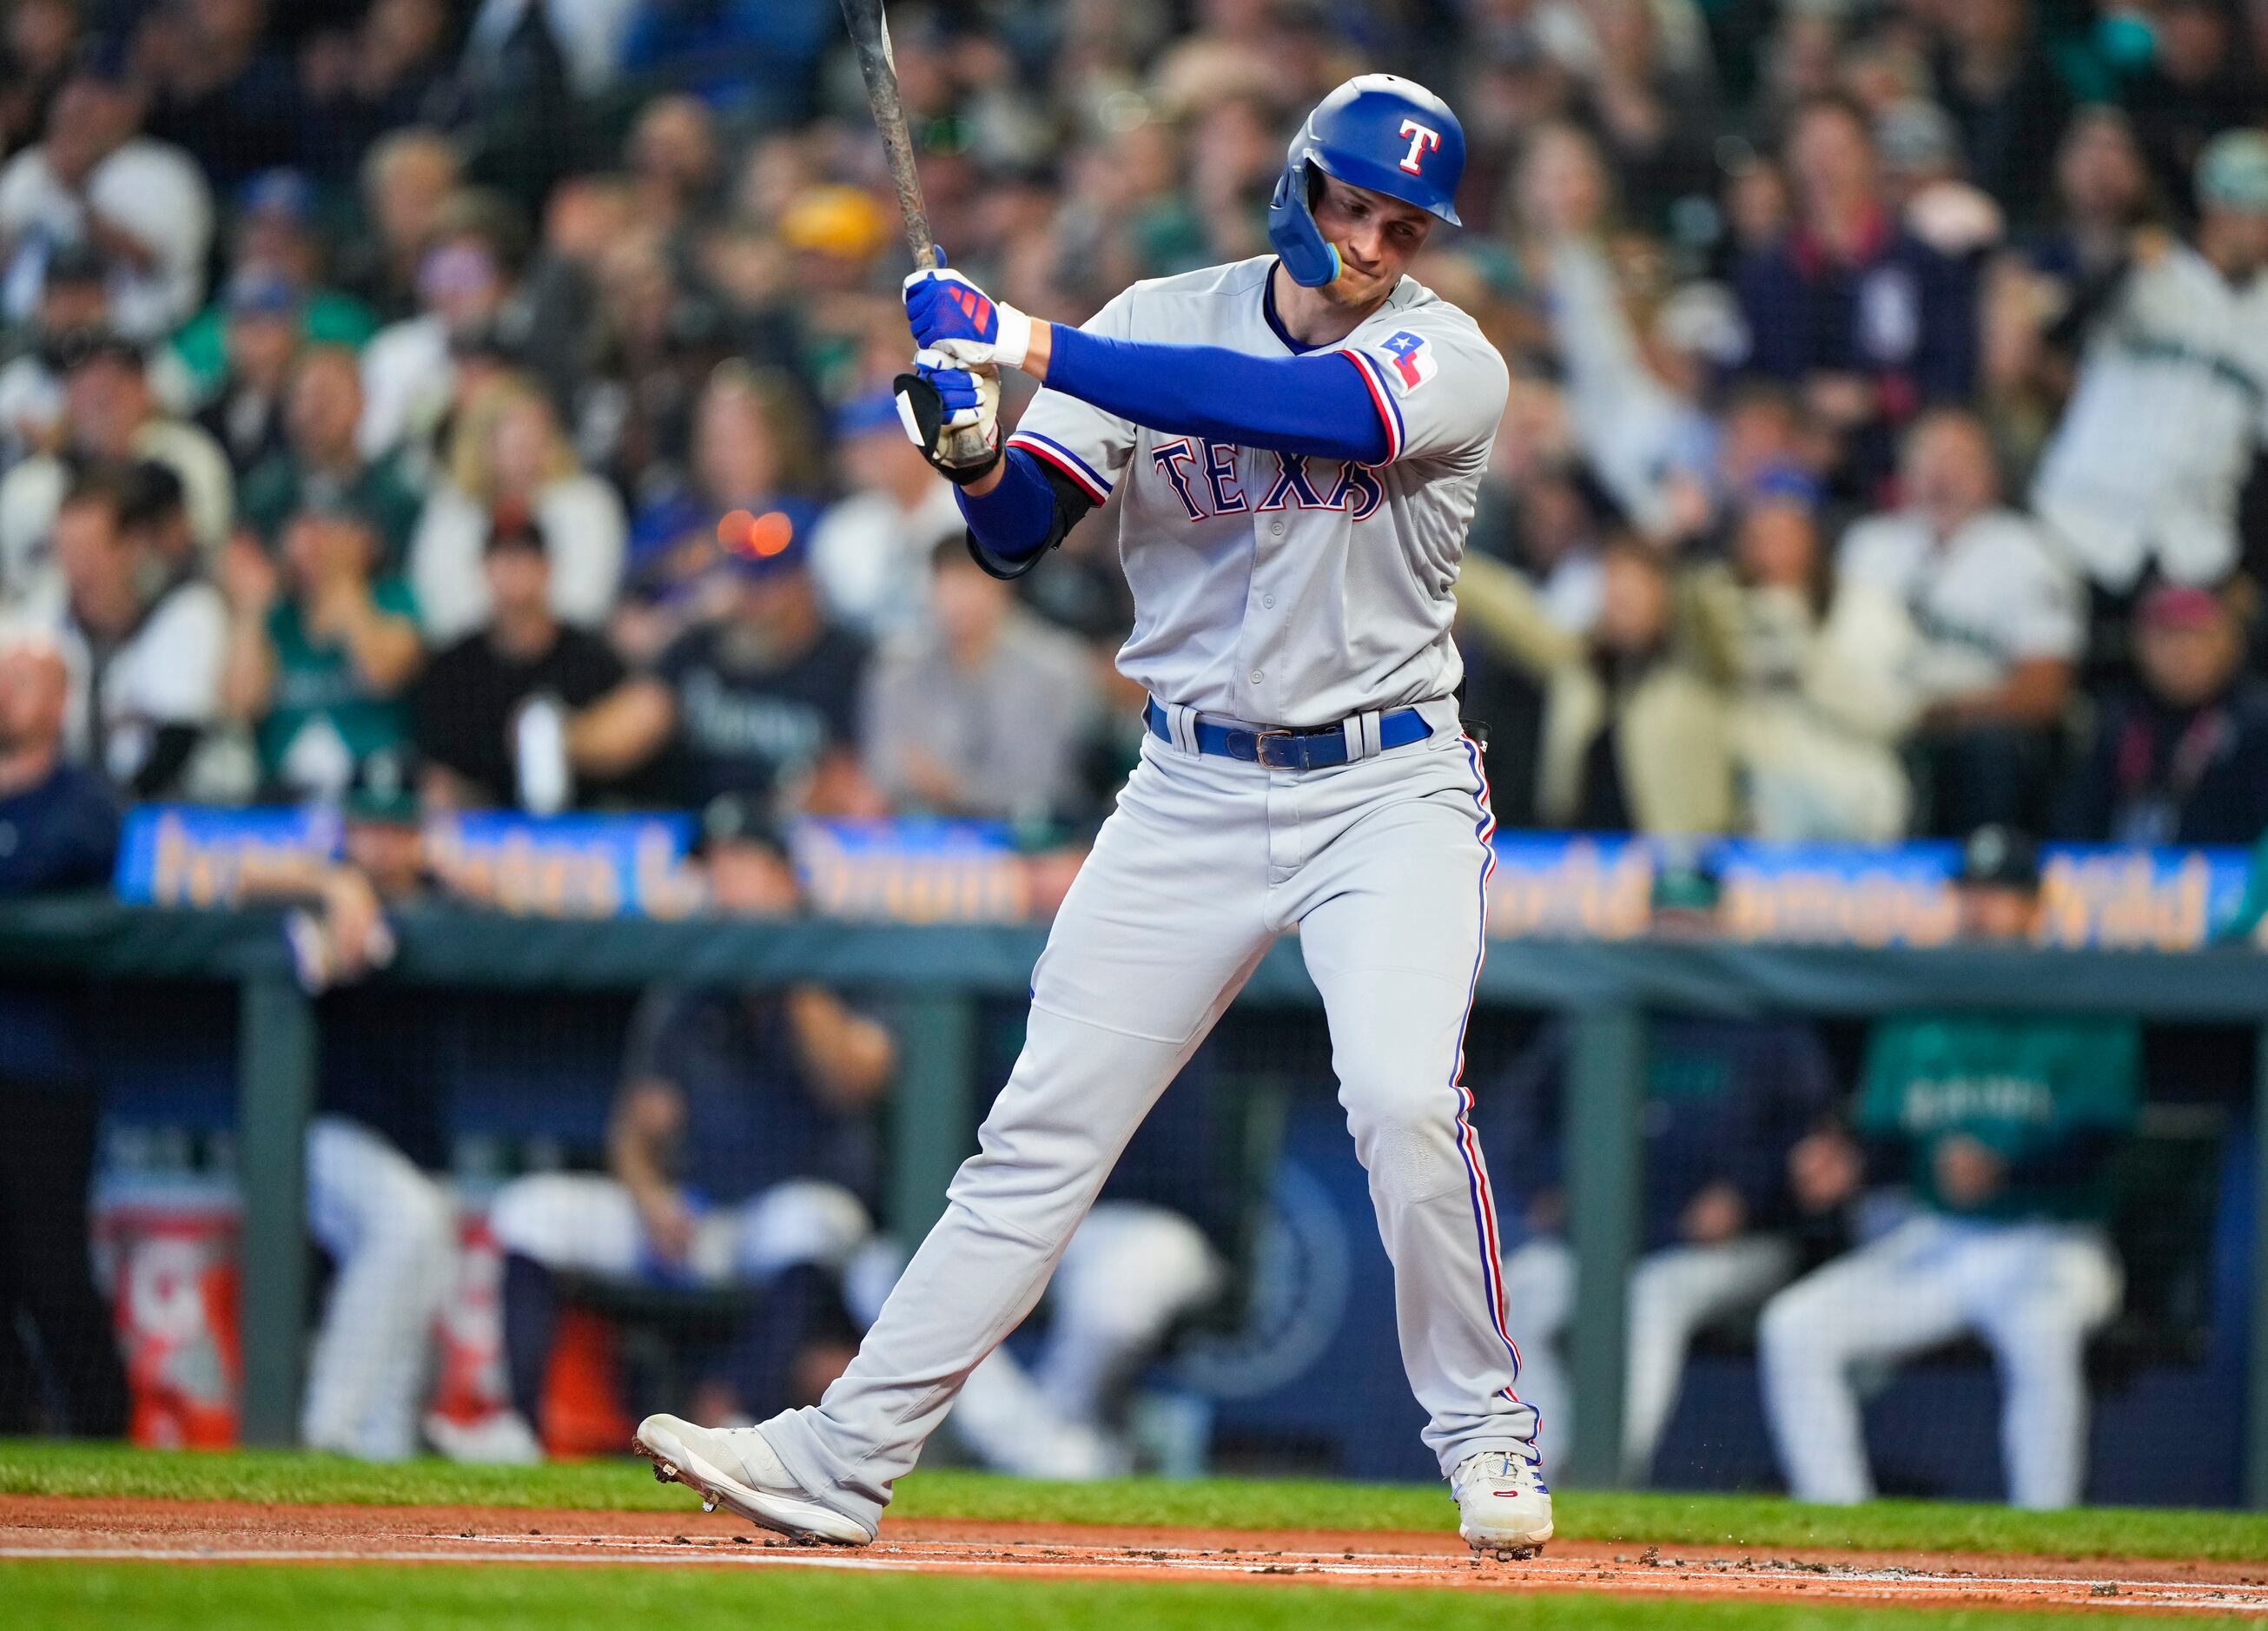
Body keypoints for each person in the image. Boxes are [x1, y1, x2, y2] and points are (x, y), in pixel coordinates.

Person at [635, 76, 1553, 1555]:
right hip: (1188, 782)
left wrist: (1031, 341)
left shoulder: (1448, 359)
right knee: (1036, 1134)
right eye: (1353, 205)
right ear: (1297, 188)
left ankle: (1486, 1431)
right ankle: (844, 1451)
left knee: (1399, 1097)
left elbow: (1296, 412)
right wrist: (971, 450)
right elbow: (1017, 535)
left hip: (1386, 787)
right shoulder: (1161, 315)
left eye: (1402, 222)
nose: (1375, 243)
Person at [1758, 827, 2139, 1509]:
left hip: (2052, 1243)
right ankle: (1842, 1531)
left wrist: (2008, 1171)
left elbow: (2104, 1141)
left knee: (2040, 1331)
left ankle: (2043, 1537)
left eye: (1998, 896)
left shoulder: (2083, 997)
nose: (1979, 910)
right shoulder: (1923, 1000)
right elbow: (1885, 1138)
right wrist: (1849, 1160)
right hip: (1938, 1241)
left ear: (2034, 907)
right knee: (1795, 1326)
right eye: (1970, 894)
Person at [487, 809, 891, 1446]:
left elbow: (852, 1079)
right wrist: (648, 1196)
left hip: (777, 1220)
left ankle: (733, 1413)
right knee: (529, 1210)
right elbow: (633, 1126)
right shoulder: (688, 983)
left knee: (812, 1220)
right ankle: (513, 1428)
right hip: (686, 1217)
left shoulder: (838, 960)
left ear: (787, 881)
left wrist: (786, 965)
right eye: (715, 869)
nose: (724, 887)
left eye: (743, 868)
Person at [1487, 861, 1838, 1482]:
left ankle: (1607, 1475)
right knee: (1505, 1301)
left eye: (1692, 922)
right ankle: (1548, 1463)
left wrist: (1746, 1198)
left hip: (1726, 1247)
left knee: (1651, 1298)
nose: (1678, 936)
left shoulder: (1765, 1021)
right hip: (1601, 1236)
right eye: (1666, 920)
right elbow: (1517, 1112)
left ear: (1721, 927)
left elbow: (1812, 1142)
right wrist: (1545, 1184)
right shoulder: (1600, 1005)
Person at [2029, 131, 2268, 604]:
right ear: (2216, 209)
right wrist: (2119, 265)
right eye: (2250, 212)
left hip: (2193, 549)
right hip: (2077, 519)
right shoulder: (2148, 267)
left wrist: (2249, 567)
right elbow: (2054, 339)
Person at [1835, 409, 2081, 835]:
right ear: (1903, 473)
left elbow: (2044, 690)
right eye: (1928, 461)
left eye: (1958, 463)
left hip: (1973, 726)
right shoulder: (1868, 545)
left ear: (1991, 474)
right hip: (1872, 717)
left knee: (1985, 749)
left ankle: (1988, 878)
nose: (1941, 477)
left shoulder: (2030, 552)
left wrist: (1942, 712)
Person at [0, 631, 129, 1436]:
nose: (5, 694)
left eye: (21, 681)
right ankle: (14, 1423)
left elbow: (49, 864)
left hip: (47, 1073)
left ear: (57, 703)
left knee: (52, 1268)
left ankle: (104, 1425)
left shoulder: (81, 802)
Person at [1734, 94, 1978, 495]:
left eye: (1838, 151)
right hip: (1794, 466)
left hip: (1900, 460)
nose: (1824, 167)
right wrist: (1800, 414)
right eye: (1810, 151)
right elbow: (1751, 373)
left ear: (1870, 159)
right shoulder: (1766, 273)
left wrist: (1873, 399)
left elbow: (1953, 374)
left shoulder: (1923, 265)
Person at [595, 524, 878, 819]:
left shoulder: (848, 663)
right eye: (744, 580)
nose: (752, 598)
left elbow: (854, 781)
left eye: (767, 582)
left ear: (804, 583)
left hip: (798, 837)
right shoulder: (698, 647)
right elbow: (627, 728)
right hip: (694, 836)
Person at [410, 507, 658, 813]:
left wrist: (567, 740)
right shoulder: (455, 670)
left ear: (547, 567)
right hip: (485, 835)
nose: (513, 572)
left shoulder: (591, 658)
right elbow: (439, 775)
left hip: (585, 835)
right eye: (502, 559)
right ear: (484, 569)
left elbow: (638, 736)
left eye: (525, 558)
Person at [861, 537, 1102, 824]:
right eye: (948, 584)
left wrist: (954, 787)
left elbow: (1047, 785)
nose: (957, 600)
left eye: (970, 583)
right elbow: (887, 770)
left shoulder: (1058, 668)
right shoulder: (898, 668)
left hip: (1034, 838)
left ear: (1004, 585)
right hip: (925, 836)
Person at [45, 466, 232, 800]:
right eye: (67, 550)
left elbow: (177, 742)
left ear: (132, 546)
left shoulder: (186, 611)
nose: (77, 567)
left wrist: (110, 818)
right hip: (88, 814)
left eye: (90, 550)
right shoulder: (46, 627)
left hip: (195, 810)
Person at [0, 51, 213, 341]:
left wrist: (77, 193)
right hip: (32, 339)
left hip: (141, 341)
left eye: (94, 101)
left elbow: (150, 264)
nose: (78, 108)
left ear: (128, 107)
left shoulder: (163, 170)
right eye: (74, 99)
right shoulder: (32, 167)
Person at [219, 503, 423, 804]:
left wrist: (346, 588)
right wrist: (251, 611)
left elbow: (384, 674)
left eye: (325, 534)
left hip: (375, 789)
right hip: (286, 792)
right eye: (304, 534)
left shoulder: (392, 598)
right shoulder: (278, 617)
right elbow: (239, 706)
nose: (312, 548)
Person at [407, 374, 625, 646]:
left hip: (565, 654)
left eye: (532, 438)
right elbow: (441, 609)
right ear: (480, 446)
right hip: (471, 661)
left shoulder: (588, 503)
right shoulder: (450, 511)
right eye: (511, 441)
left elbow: (586, 603)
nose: (523, 452)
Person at [2055, 581, 2268, 847]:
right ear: (2138, 645)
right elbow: (2075, 823)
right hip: (2120, 874)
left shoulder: (2256, 723)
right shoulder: (2118, 718)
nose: (2181, 652)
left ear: (2231, 643)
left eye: (2196, 635)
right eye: (2166, 637)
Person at [237, 345, 427, 567]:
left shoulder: (396, 496)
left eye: (327, 398)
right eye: (301, 399)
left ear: (360, 401)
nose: (313, 411)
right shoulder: (265, 496)